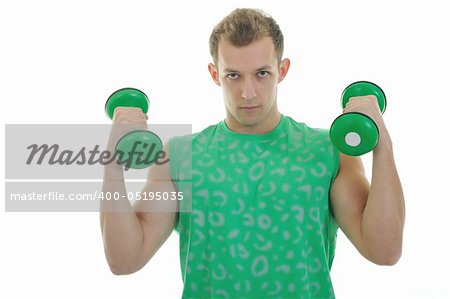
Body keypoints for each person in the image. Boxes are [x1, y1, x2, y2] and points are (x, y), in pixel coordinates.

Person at [100, 8, 405, 298]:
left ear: (282, 70)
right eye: (233, 75)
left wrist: (383, 146)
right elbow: (126, 260)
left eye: (261, 73)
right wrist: (112, 161)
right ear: (215, 74)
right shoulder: (180, 156)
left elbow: (384, 250)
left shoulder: (328, 151)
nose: (248, 93)